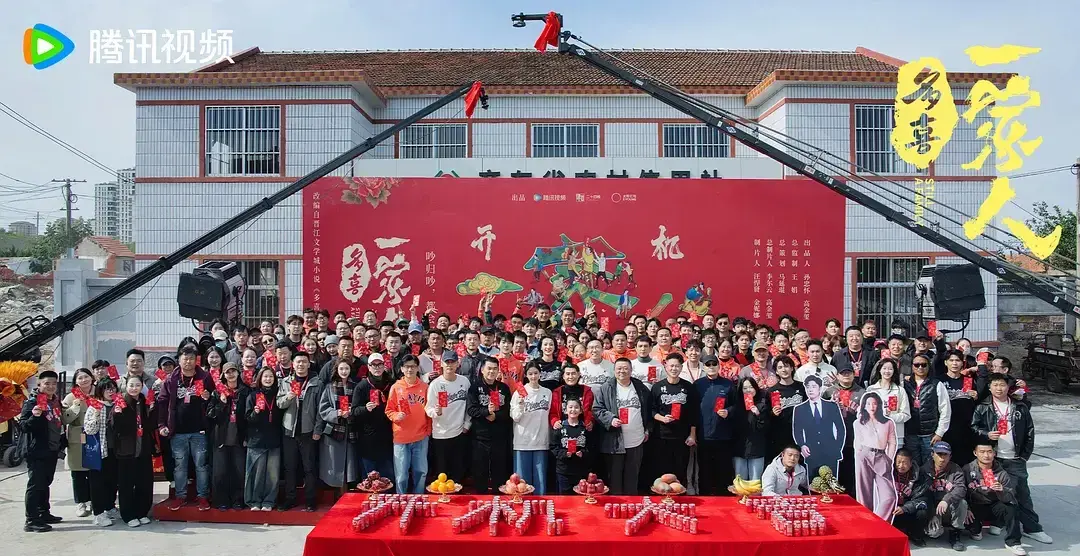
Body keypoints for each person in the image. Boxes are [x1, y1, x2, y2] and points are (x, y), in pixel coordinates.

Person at [971, 374, 1051, 544]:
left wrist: (1024, 456)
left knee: (1022, 494)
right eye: (995, 385)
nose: (999, 388)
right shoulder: (982, 407)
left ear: (1008, 387)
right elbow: (973, 427)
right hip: (993, 458)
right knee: (994, 491)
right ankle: (999, 522)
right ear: (989, 387)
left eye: (1002, 385)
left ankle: (1032, 528)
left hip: (1014, 457)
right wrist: (986, 434)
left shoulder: (1020, 407)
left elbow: (1029, 431)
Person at [158, 345, 215, 512]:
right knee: (180, 465)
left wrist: (208, 397)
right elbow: (162, 403)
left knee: (201, 465)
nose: (188, 362)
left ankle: (203, 496)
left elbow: (214, 398)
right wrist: (162, 424)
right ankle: (180, 496)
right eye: (185, 359)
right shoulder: (171, 379)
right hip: (178, 431)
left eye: (191, 358)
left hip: (199, 430)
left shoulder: (204, 377)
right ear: (179, 360)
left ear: (196, 360)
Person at [593, 358, 652, 495]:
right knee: (615, 478)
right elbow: (597, 409)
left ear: (631, 370)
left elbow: (648, 409)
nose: (622, 371)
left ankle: (631, 504)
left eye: (626, 368)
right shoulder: (606, 388)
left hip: (636, 439)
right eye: (619, 368)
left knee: (632, 477)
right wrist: (610, 419)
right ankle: (616, 504)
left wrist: (648, 429)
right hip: (615, 441)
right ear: (614, 370)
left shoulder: (640, 387)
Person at [19, 369, 65, 532]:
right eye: (47, 383)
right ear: (39, 385)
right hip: (37, 450)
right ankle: (31, 520)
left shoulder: (55, 401)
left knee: (45, 483)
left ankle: (43, 513)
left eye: (53, 383)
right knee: (35, 485)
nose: (51, 386)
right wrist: (35, 416)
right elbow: (23, 426)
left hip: (52, 449)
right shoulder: (32, 402)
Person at [963, 443, 1027, 555]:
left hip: (994, 504)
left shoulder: (1001, 472)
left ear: (994, 453)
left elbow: (1010, 497)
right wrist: (966, 508)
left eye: (989, 452)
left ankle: (1013, 542)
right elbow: (961, 490)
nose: (986, 455)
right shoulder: (967, 469)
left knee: (1011, 508)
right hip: (975, 506)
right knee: (975, 533)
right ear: (975, 453)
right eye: (982, 452)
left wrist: (1002, 490)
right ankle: (976, 529)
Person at [278, 352, 322, 511]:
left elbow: (320, 409)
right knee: (290, 467)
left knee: (309, 468)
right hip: (289, 430)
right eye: (298, 362)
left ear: (309, 364)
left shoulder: (317, 383)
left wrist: (318, 429)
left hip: (308, 431)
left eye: (304, 362)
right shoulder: (286, 382)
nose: (301, 365)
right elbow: (279, 403)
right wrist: (289, 397)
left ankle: (310, 500)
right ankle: (290, 499)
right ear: (293, 364)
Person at [648, 352, 699, 486]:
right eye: (671, 366)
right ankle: (661, 495)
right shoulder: (657, 387)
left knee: (680, 471)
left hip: (681, 437)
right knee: (661, 472)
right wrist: (662, 418)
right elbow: (651, 410)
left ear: (681, 367)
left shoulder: (688, 387)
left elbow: (693, 413)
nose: (674, 369)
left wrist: (692, 435)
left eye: (677, 366)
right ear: (665, 367)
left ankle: (680, 495)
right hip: (661, 436)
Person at [385, 355, 431, 494]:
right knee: (401, 475)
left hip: (420, 436)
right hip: (401, 437)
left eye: (413, 366)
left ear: (418, 368)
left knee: (421, 472)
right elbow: (389, 410)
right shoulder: (396, 387)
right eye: (407, 366)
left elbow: (429, 411)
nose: (410, 369)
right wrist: (396, 416)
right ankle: (401, 499)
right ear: (401, 369)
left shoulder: (425, 387)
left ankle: (419, 499)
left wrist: (428, 431)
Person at [466, 356, 513, 493]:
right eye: (489, 368)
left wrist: (495, 416)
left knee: (499, 472)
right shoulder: (474, 387)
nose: (491, 371)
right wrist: (486, 412)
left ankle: (499, 499)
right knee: (480, 472)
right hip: (480, 437)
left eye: (495, 369)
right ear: (482, 370)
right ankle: (481, 499)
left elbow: (508, 410)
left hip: (499, 437)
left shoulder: (503, 388)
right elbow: (471, 409)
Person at [426, 350, 472, 485]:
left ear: (458, 364)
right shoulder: (435, 384)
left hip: (459, 432)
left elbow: (469, 406)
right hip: (440, 434)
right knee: (442, 473)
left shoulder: (464, 381)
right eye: (447, 362)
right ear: (441, 364)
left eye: (453, 362)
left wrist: (467, 425)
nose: (449, 365)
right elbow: (428, 408)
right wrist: (436, 412)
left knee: (458, 473)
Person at [114, 375, 155, 527]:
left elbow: (151, 424)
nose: (134, 388)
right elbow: (115, 426)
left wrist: (152, 409)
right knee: (126, 484)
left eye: (137, 385)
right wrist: (117, 414)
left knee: (144, 482)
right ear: (126, 386)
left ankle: (142, 512)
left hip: (143, 448)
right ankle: (128, 515)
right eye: (131, 385)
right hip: (127, 450)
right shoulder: (121, 401)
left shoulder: (145, 401)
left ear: (142, 386)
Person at [207, 362, 248, 511]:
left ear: (238, 373)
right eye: (227, 372)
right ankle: (221, 500)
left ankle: (238, 500)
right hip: (221, 437)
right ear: (223, 375)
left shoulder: (245, 391)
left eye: (233, 371)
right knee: (220, 472)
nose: (231, 374)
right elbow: (210, 414)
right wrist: (222, 403)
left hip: (239, 437)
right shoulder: (217, 392)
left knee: (239, 471)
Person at [694, 354, 736, 495]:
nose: (711, 367)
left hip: (723, 435)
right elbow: (692, 408)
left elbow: (737, 405)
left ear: (719, 366)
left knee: (723, 470)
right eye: (708, 365)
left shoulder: (728, 384)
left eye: (714, 364)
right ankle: (705, 497)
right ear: (703, 367)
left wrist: (728, 411)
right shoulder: (698, 385)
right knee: (704, 470)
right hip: (704, 435)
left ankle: (723, 498)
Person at [853, 392, 898, 521]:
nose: (871, 406)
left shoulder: (888, 422)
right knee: (863, 495)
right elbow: (857, 442)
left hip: (881, 456)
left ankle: (878, 523)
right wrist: (859, 455)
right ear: (864, 406)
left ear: (878, 405)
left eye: (874, 403)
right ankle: (866, 523)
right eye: (868, 404)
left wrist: (889, 459)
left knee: (889, 497)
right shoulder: (858, 422)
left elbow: (892, 442)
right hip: (864, 456)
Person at [351, 352, 395, 483]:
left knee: (387, 476)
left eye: (379, 364)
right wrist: (365, 409)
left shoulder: (391, 384)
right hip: (368, 438)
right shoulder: (362, 386)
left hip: (387, 436)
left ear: (384, 365)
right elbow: (354, 411)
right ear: (369, 367)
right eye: (373, 365)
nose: (377, 367)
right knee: (370, 478)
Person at [319, 358, 363, 490]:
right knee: (335, 466)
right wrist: (337, 413)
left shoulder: (356, 386)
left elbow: (359, 406)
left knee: (350, 466)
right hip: (334, 430)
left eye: (346, 368)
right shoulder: (329, 387)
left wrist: (352, 411)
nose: (344, 371)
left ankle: (348, 491)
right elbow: (323, 408)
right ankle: (337, 494)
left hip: (351, 429)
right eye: (341, 369)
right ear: (337, 370)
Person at [792, 375, 846, 478]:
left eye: (813, 386)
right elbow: (797, 431)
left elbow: (840, 429)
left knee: (831, 482)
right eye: (808, 387)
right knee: (814, 483)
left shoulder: (831, 406)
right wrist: (802, 445)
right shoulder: (799, 409)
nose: (810, 389)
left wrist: (837, 447)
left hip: (831, 452)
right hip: (811, 452)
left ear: (820, 388)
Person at [510, 362, 552, 495]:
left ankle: (541, 504)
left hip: (541, 441)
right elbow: (515, 417)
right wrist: (520, 405)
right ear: (526, 375)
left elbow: (550, 414)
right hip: (523, 442)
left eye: (535, 373)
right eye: (530, 374)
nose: (533, 376)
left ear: (540, 374)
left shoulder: (547, 393)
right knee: (522, 484)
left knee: (540, 481)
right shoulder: (519, 392)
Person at [823, 364, 865, 496]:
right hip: (833, 440)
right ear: (837, 376)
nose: (846, 375)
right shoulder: (829, 392)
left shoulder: (862, 393)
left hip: (853, 438)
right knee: (833, 472)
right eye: (843, 373)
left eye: (849, 372)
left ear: (854, 374)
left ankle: (850, 499)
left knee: (851, 472)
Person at [245, 367, 282, 511]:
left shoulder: (278, 395)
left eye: (271, 377)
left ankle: (269, 501)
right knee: (257, 473)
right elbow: (247, 419)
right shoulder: (253, 396)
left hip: (274, 440)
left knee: (273, 474)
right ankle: (254, 501)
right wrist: (255, 412)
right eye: (265, 376)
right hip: (257, 440)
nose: (268, 379)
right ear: (260, 379)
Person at [904, 353, 951, 466]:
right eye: (917, 365)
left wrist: (939, 432)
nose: (920, 367)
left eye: (924, 365)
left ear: (928, 366)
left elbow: (945, 410)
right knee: (912, 465)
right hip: (910, 434)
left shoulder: (937, 384)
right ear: (912, 366)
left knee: (929, 465)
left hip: (930, 435)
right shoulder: (904, 384)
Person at [61, 368, 94, 518]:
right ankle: (81, 503)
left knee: (95, 472)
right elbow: (64, 419)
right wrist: (75, 407)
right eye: (80, 378)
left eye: (86, 376)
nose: (84, 380)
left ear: (92, 378)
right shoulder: (70, 397)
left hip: (96, 437)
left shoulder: (99, 393)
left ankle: (95, 500)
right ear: (75, 381)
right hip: (77, 439)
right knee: (78, 473)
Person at [924, 441, 969, 551]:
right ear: (932, 454)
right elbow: (922, 494)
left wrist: (946, 500)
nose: (942, 458)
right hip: (933, 507)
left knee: (962, 503)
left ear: (950, 456)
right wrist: (931, 513)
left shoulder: (956, 469)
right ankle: (934, 526)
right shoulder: (924, 469)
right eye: (939, 454)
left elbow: (961, 489)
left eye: (945, 455)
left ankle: (955, 533)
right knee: (933, 533)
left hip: (949, 505)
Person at [730, 376, 770, 481]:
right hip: (740, 448)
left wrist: (758, 414)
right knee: (740, 481)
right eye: (745, 388)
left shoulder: (762, 406)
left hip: (756, 448)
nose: (748, 390)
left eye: (751, 387)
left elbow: (764, 427)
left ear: (756, 388)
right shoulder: (736, 406)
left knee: (755, 481)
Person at [865, 358, 911, 448]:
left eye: (890, 369)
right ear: (879, 370)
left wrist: (890, 417)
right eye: (884, 368)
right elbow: (865, 412)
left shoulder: (900, 390)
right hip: (875, 435)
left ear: (894, 371)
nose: (887, 371)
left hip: (896, 434)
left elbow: (906, 415)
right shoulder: (871, 389)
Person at [766, 356, 805, 458]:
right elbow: (766, 415)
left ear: (792, 368)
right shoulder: (772, 391)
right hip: (780, 434)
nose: (784, 370)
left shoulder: (802, 387)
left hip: (800, 431)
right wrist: (772, 413)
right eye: (780, 367)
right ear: (776, 371)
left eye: (786, 366)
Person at [892, 448, 932, 547]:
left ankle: (916, 536)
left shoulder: (920, 476)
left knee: (922, 512)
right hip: (892, 510)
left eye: (905, 463)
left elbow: (922, 499)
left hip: (907, 510)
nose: (901, 466)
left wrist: (905, 508)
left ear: (911, 464)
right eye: (898, 462)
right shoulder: (888, 473)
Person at [551, 398, 589, 494]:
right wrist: (564, 454)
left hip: (581, 470)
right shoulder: (560, 428)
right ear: (565, 410)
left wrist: (583, 453)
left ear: (581, 410)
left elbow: (592, 447)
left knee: (580, 498)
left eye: (576, 407)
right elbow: (553, 447)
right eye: (570, 407)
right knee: (565, 498)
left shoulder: (585, 428)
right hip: (563, 470)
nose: (573, 410)